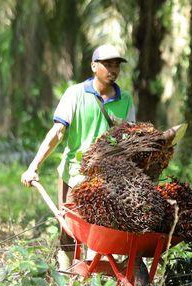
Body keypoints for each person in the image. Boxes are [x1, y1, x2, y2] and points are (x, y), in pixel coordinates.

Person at [21, 43, 137, 273]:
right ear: (94, 66)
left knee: (100, 231)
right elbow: (57, 132)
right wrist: (34, 165)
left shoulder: (125, 100)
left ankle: (93, 275)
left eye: (116, 65)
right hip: (74, 174)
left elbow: (130, 139)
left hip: (107, 178)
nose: (112, 70)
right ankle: (65, 278)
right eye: (107, 65)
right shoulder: (75, 94)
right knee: (69, 228)